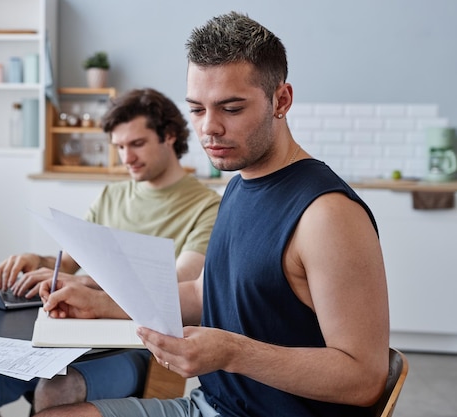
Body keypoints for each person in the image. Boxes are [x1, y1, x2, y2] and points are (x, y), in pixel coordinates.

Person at [33, 11, 390, 417]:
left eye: (231, 109)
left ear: (282, 100)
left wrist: (233, 352)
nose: (209, 129)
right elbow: (204, 293)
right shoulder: (239, 183)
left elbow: (365, 379)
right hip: (209, 404)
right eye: (197, 109)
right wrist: (101, 302)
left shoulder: (326, 215)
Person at [0, 88, 221, 416]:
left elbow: (176, 287)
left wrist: (84, 287)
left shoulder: (206, 207)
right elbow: (71, 261)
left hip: (140, 348)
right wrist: (39, 262)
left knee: (57, 388)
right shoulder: (111, 196)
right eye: (118, 147)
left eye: (137, 144)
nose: (125, 157)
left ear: (169, 136)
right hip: (75, 335)